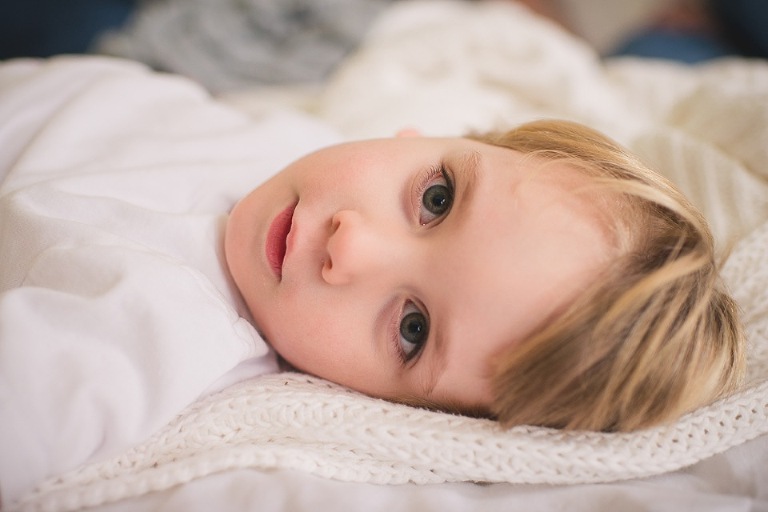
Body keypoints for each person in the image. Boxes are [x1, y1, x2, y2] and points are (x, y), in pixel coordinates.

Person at [0, 56, 745, 503]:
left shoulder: (161, 326)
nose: (350, 245)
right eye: (436, 198)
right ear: (429, 136)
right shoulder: (296, 140)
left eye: (412, 329)